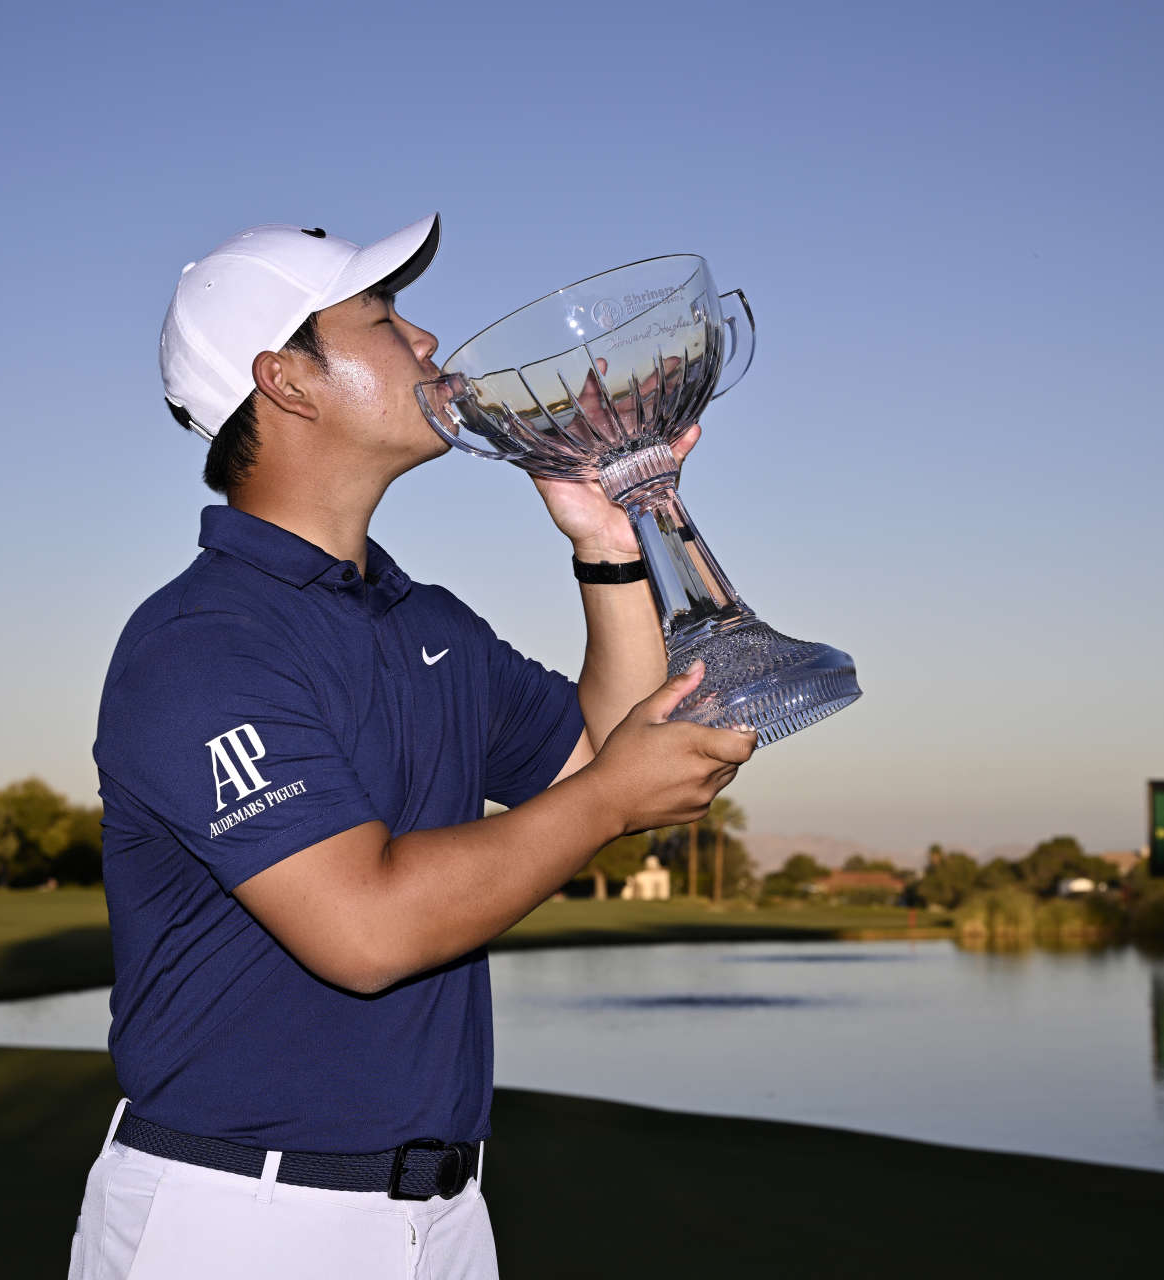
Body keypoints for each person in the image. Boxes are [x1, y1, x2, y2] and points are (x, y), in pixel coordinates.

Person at [69, 214, 755, 1280]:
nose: (428, 339)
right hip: (238, 1218)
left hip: (442, 1216)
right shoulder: (200, 645)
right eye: (384, 319)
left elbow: (596, 764)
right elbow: (366, 925)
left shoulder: (422, 618)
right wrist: (613, 793)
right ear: (286, 381)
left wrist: (610, 547)